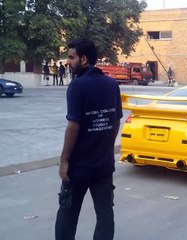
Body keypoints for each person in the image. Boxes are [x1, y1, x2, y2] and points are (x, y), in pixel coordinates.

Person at [55, 37, 123, 240]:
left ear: (83, 59)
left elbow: (73, 125)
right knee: (105, 215)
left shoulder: (77, 86)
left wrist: (64, 160)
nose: (68, 62)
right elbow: (116, 119)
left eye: (71, 57)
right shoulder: (112, 84)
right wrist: (106, 147)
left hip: (79, 167)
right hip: (103, 165)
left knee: (68, 214)